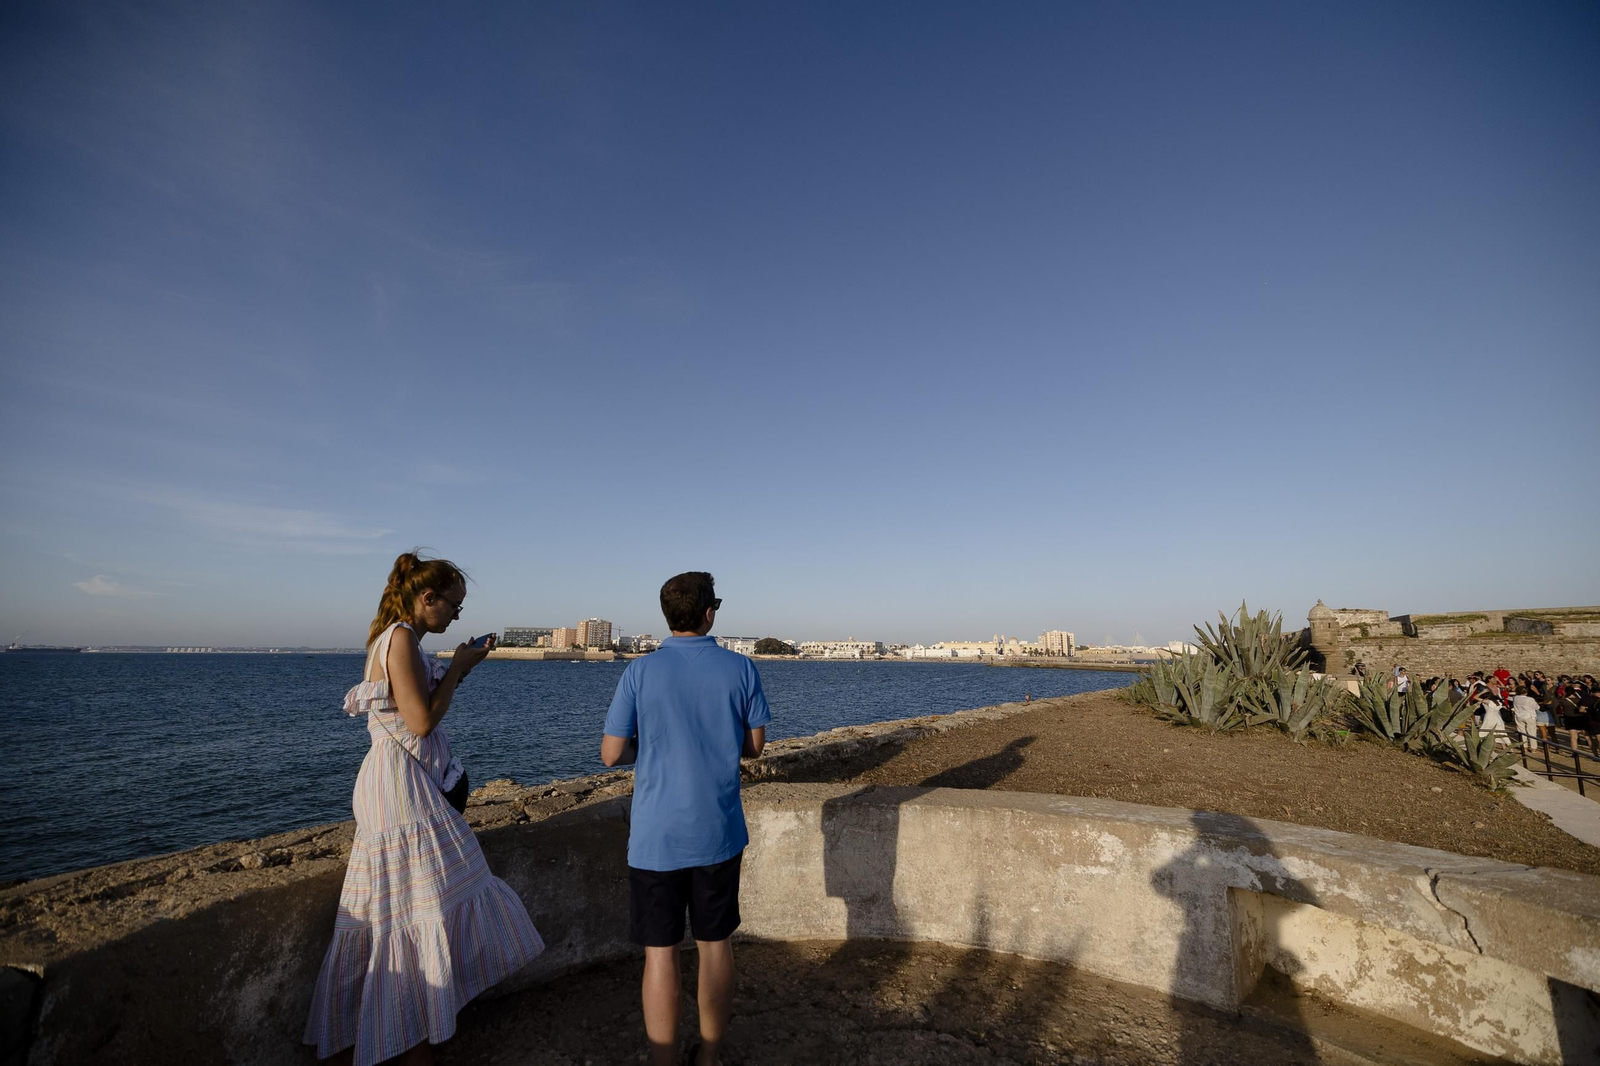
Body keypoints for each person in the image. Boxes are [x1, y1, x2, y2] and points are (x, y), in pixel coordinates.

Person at [305, 552, 544, 1066]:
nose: (456, 616)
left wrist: (457, 669)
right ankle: (414, 1040)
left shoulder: (393, 638)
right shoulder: (401, 638)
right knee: (415, 916)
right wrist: (456, 669)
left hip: (397, 785)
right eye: (453, 606)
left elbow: (412, 708)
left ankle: (406, 1035)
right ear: (426, 598)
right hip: (400, 791)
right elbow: (419, 723)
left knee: (404, 915)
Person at [601, 572, 771, 1066]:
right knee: (715, 946)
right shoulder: (740, 668)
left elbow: (611, 754)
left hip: (656, 837)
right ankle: (711, 1055)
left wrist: (648, 744)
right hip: (717, 832)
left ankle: (663, 1060)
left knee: (661, 952)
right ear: (709, 612)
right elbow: (755, 747)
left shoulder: (640, 671)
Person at [1511, 685, 1542, 751]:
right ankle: (1533, 747)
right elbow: (1537, 707)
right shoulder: (1530, 699)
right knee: (1532, 732)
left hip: (1519, 715)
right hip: (1529, 716)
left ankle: (1524, 746)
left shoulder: (1515, 698)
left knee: (1521, 731)